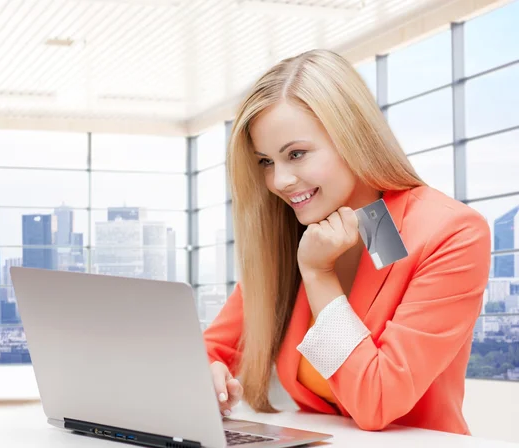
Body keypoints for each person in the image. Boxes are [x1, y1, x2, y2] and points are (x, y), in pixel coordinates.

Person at [202, 49, 490, 434]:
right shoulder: (291, 234)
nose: (280, 181)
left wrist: (319, 275)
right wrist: (208, 373)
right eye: (266, 162)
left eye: (296, 154)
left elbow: (376, 401)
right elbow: (207, 352)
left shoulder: (450, 233)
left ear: (353, 136)